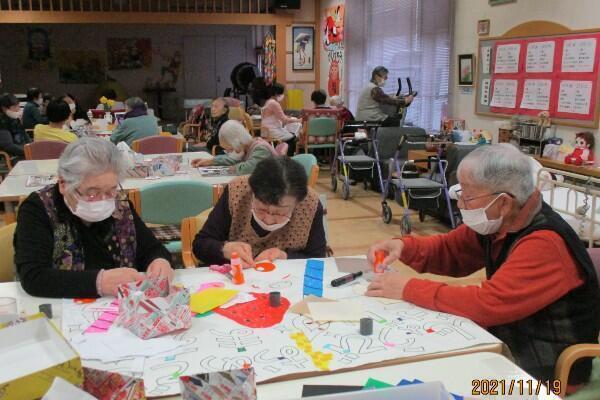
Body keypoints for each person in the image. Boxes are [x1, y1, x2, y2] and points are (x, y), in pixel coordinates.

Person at [365, 144, 600, 387]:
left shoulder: (545, 243)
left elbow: (488, 303)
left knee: (436, 379)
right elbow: (451, 250)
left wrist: (408, 288)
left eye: (468, 197)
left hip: (545, 373)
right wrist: (403, 247)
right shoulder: (502, 220)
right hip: (506, 344)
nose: (460, 205)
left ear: (504, 202)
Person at [15, 137, 174, 298]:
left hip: (118, 309)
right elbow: (33, 277)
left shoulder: (120, 204)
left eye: (111, 190)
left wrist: (160, 261)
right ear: (64, 184)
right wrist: (99, 282)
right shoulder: (38, 209)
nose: (103, 199)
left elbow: (152, 248)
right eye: (92, 192)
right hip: (61, 310)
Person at [193, 156, 326, 266]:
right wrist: (224, 249)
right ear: (253, 194)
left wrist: (284, 256)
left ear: (297, 203)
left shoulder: (310, 204)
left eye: (280, 213)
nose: (268, 220)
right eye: (262, 209)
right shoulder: (238, 191)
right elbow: (200, 245)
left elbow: (318, 257)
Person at [191, 120, 278, 175]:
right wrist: (211, 161)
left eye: (230, 148)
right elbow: (232, 159)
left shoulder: (261, 149)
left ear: (236, 142)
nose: (229, 151)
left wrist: (230, 168)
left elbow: (247, 169)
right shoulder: (246, 148)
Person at [261, 83, 301, 156]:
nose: (284, 95)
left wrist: (288, 117)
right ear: (277, 93)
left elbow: (279, 116)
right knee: (293, 137)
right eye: (283, 93)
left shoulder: (268, 101)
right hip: (272, 131)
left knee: (290, 134)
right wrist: (298, 120)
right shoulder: (274, 104)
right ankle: (288, 157)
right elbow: (284, 119)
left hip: (266, 130)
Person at [0, 93, 31, 161]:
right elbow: (9, 146)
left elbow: (24, 134)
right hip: (13, 156)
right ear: (4, 108)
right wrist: (28, 151)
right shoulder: (2, 123)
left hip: (24, 152)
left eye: (18, 106)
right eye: (14, 107)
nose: (18, 109)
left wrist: (31, 146)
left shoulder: (14, 118)